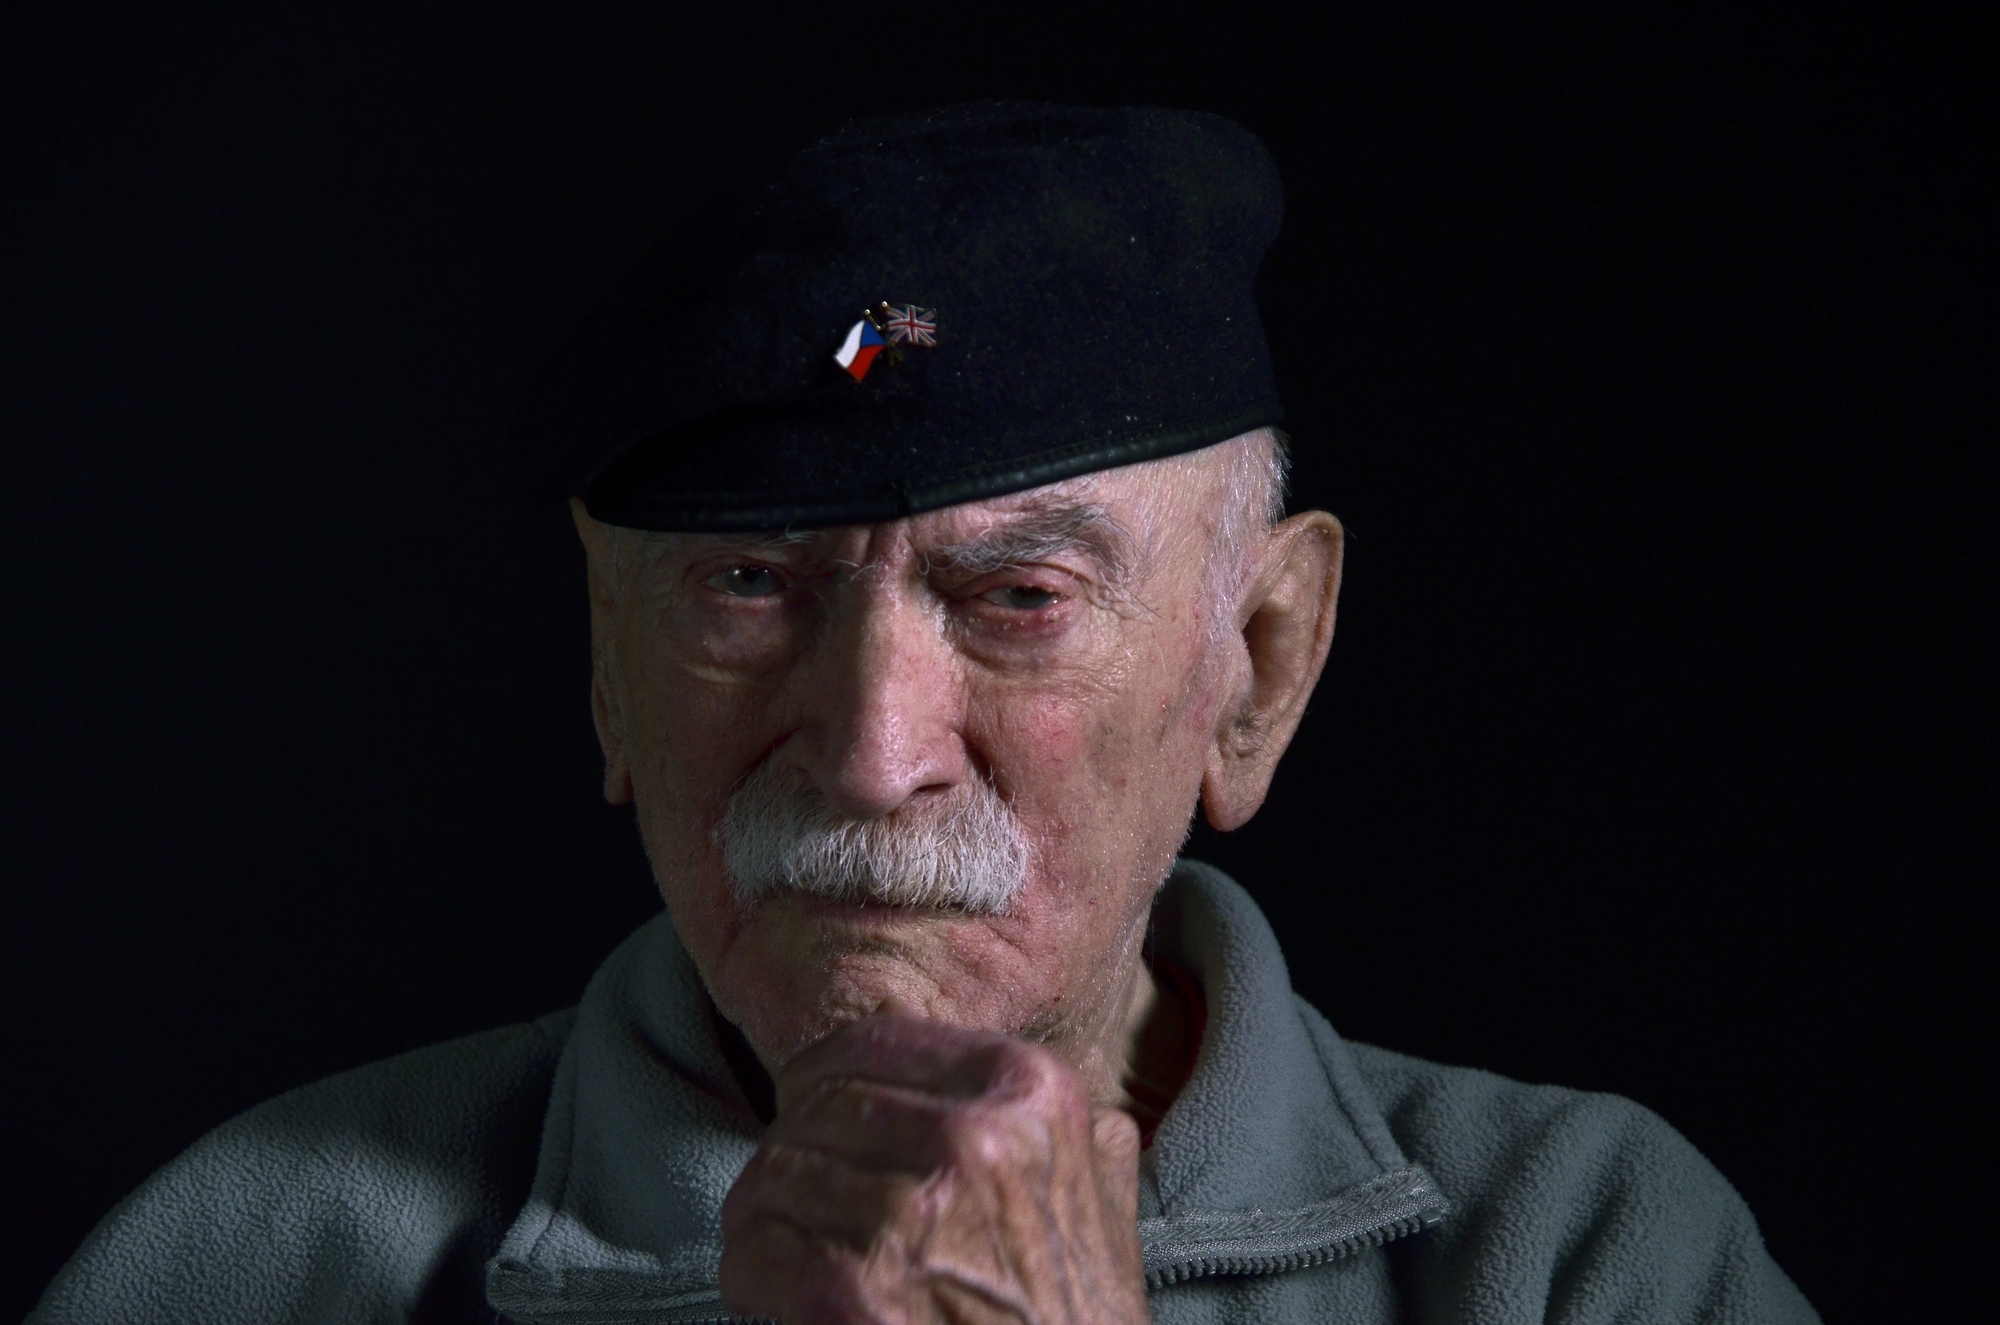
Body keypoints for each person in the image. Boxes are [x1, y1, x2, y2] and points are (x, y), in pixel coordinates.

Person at [30, 102, 1820, 1325]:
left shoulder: (1589, 1260)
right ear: (607, 668)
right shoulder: (247, 1264)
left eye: (1019, 598)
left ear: (1259, 667)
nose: (871, 752)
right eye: (750, 586)